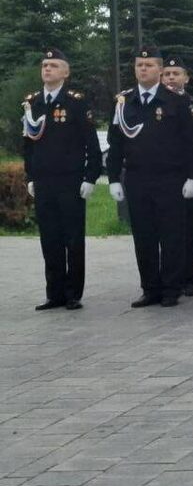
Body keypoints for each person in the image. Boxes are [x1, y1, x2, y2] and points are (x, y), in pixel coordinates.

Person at [107, 44, 193, 308]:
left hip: (170, 178)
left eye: (149, 65)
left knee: (172, 234)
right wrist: (114, 177)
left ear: (160, 70)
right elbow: (115, 143)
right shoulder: (124, 101)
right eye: (139, 65)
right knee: (144, 235)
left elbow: (192, 143)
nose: (143, 69)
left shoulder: (177, 101)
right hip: (137, 178)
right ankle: (150, 288)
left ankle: (172, 288)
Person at [22, 48, 102, 312]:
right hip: (44, 181)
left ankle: (72, 293)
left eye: (54, 65)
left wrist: (90, 177)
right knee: (50, 238)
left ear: (65, 72)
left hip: (70, 180)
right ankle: (53, 292)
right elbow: (28, 145)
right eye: (45, 65)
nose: (47, 69)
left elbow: (91, 143)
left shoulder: (76, 102)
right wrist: (30, 176)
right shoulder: (33, 102)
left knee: (72, 238)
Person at [162, 55, 193, 297]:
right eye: (167, 74)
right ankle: (171, 278)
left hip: (190, 175)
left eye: (175, 74)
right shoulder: (158, 104)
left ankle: (191, 278)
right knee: (168, 230)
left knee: (189, 229)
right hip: (167, 175)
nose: (171, 78)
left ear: (186, 78)